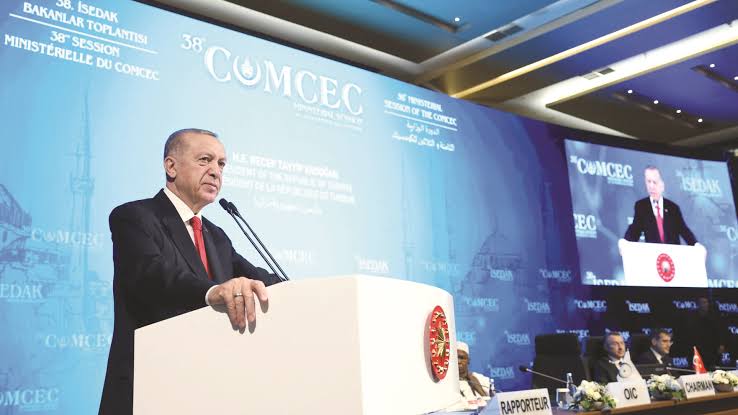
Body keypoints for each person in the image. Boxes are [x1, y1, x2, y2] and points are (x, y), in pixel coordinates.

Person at [99, 129, 282, 415]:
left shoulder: (215, 235)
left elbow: (257, 277)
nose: (215, 171)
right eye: (205, 160)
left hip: (205, 387)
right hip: (148, 385)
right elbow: (151, 276)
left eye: (221, 164)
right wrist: (213, 292)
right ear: (171, 166)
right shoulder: (134, 217)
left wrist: (305, 293)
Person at [624, 166, 698, 245]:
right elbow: (635, 229)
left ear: (662, 185)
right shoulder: (641, 206)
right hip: (654, 252)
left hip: (672, 252)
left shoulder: (673, 208)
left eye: (654, 182)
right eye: (648, 182)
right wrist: (625, 242)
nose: (651, 186)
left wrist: (696, 244)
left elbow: (684, 230)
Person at [683, 297, 726, 369]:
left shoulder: (715, 316)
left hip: (712, 348)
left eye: (705, 302)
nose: (704, 305)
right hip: (697, 348)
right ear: (698, 304)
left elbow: (721, 331)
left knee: (713, 369)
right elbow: (688, 334)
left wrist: (721, 344)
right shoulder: (691, 317)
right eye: (702, 303)